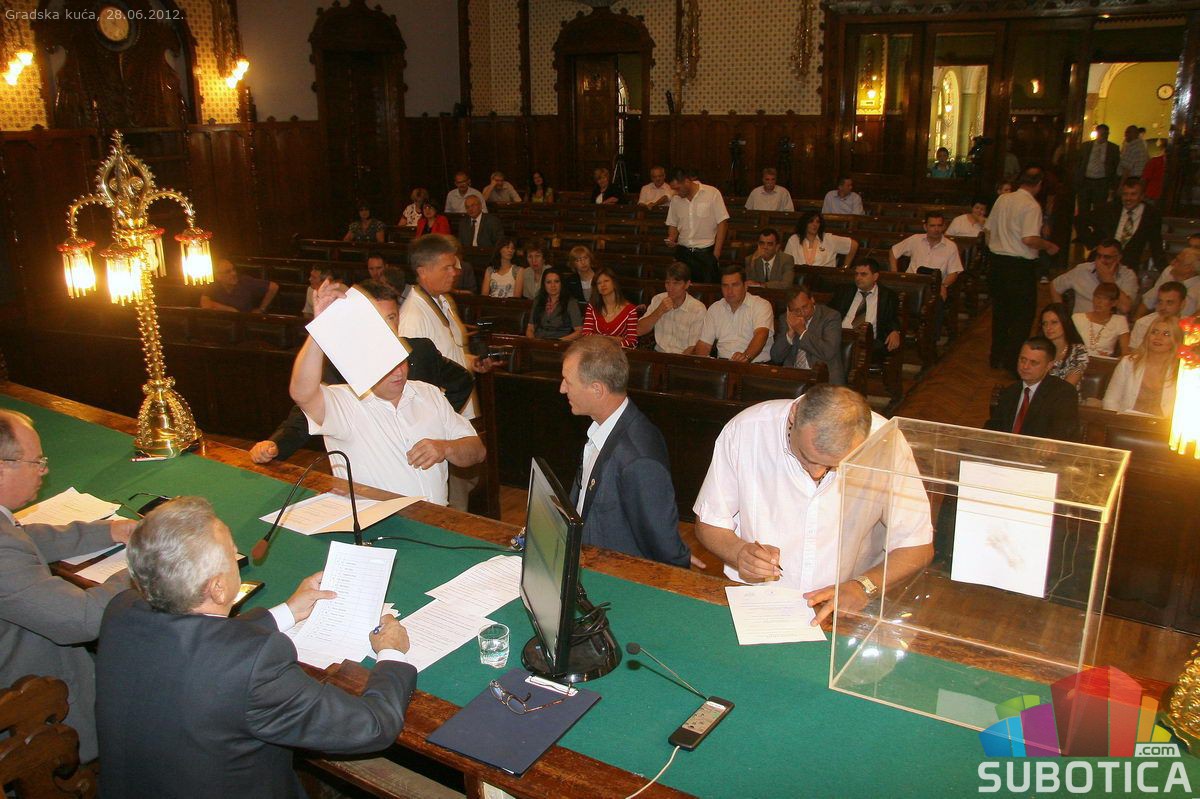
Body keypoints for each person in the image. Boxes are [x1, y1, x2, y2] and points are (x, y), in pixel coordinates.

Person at [96, 497, 416, 797]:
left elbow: (199, 642)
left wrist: (288, 611)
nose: (238, 555)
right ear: (218, 589)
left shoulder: (121, 609)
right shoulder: (254, 663)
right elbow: (373, 726)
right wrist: (391, 653)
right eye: (232, 555)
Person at [693, 384, 933, 625]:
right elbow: (709, 522)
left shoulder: (886, 442)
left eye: (834, 465)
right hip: (756, 601)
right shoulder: (747, 430)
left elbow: (917, 545)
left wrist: (863, 586)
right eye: (807, 457)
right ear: (794, 415)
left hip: (847, 608)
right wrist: (738, 553)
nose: (817, 473)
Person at [0, 410, 135, 763]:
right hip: (32, 710)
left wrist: (111, 531)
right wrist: (141, 568)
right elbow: (84, 620)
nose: (44, 471)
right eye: (36, 462)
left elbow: (20, 539)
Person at [291, 280, 485, 505]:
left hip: (435, 517)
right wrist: (320, 330)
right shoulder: (345, 403)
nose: (398, 372)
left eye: (401, 361)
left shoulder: (428, 393)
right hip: (377, 522)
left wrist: (446, 448)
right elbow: (302, 393)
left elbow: (477, 451)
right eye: (387, 365)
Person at [249, 280, 474, 465]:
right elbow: (306, 411)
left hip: (427, 461)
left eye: (391, 318)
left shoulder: (420, 349)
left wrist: (436, 423)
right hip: (371, 467)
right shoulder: (341, 363)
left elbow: (462, 380)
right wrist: (275, 445)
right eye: (376, 320)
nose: (386, 328)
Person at [560, 337, 690, 567]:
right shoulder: (603, 428)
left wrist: (679, 557)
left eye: (568, 382)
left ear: (597, 389)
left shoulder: (638, 459)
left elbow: (664, 547)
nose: (562, 388)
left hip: (613, 576)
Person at [397, 235, 497, 423]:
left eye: (454, 266)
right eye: (447, 268)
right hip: (444, 419)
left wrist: (470, 362)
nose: (454, 273)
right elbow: (417, 386)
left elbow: (446, 355)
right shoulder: (413, 318)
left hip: (462, 412)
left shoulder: (444, 300)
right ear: (423, 272)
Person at [985, 169, 1060, 371]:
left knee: (1001, 313)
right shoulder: (1031, 205)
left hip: (997, 264)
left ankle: (996, 356)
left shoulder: (1003, 199)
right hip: (1019, 267)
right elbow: (1029, 239)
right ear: (1039, 184)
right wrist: (1048, 246)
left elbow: (988, 229)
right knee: (1022, 317)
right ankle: (1012, 362)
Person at [984, 337, 1080, 441]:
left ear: (1049, 366)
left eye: (1033, 363)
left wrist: (1049, 443)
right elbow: (993, 427)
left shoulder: (1063, 393)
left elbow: (1062, 432)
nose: (1025, 366)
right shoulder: (1010, 392)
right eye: (1023, 360)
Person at [1077, 178, 1164, 272]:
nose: (1128, 198)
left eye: (1133, 194)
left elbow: (1156, 246)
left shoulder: (1151, 215)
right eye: (1125, 194)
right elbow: (1080, 220)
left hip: (1128, 266)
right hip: (1101, 260)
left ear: (1142, 196)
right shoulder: (1110, 209)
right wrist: (1091, 243)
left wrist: (1165, 271)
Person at [690, 265, 774, 362]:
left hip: (753, 364)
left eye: (735, 285)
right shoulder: (715, 308)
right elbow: (704, 344)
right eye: (725, 286)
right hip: (723, 364)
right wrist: (697, 362)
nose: (729, 291)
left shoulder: (761, 305)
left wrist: (746, 357)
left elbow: (761, 334)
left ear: (745, 286)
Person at [1102, 316, 1183, 417]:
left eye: (1166, 334)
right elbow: (1111, 399)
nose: (1158, 337)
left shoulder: (1182, 370)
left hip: (1164, 424)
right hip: (1126, 421)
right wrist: (1115, 421)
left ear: (1176, 340)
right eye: (1154, 332)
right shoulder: (1128, 362)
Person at [770, 286, 846, 385]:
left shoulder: (830, 316)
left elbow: (828, 352)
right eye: (796, 310)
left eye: (805, 307)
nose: (802, 313)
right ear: (789, 310)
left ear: (812, 300)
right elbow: (776, 357)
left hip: (825, 379)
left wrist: (802, 332)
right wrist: (790, 333)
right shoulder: (786, 319)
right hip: (793, 379)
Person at [666, 168, 729, 284]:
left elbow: (722, 223)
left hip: (706, 253)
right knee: (681, 288)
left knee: (707, 290)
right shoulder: (675, 200)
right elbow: (673, 224)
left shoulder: (712, 193)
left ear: (686, 182)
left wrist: (716, 254)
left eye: (677, 188)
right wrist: (671, 238)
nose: (676, 192)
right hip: (683, 253)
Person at [832, 261, 902, 359]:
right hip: (840, 337)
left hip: (870, 343)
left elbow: (892, 318)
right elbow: (829, 312)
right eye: (856, 274)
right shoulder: (844, 291)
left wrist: (895, 331)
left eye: (863, 274)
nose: (858, 278)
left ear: (875, 276)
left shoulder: (888, 296)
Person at [889, 211, 962, 301]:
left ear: (944, 227)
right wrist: (895, 274)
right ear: (925, 227)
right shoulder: (915, 239)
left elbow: (954, 272)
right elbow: (893, 251)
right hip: (910, 283)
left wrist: (943, 285)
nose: (936, 229)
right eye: (932, 226)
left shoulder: (951, 246)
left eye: (939, 226)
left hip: (934, 287)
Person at [1050, 239, 1138, 314]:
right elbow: (1054, 286)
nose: (1101, 261)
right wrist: (1062, 316)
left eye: (1107, 257)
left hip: (1112, 327)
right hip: (1081, 325)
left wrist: (1109, 280)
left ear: (1118, 258)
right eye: (1098, 256)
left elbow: (1125, 308)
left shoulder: (1128, 276)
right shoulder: (1082, 270)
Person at [637, 262, 706, 354]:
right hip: (658, 354)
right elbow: (638, 330)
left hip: (683, 357)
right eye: (667, 283)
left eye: (676, 283)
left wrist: (676, 361)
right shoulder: (658, 299)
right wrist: (658, 311)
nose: (670, 288)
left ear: (687, 284)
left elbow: (693, 347)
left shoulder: (698, 309)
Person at [582, 267, 638, 349]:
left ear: (614, 283)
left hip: (618, 354)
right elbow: (586, 335)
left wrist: (598, 338)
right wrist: (613, 340)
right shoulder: (592, 307)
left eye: (606, 281)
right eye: (599, 283)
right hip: (595, 352)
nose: (603, 285)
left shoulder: (630, 310)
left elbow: (632, 342)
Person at [1038, 302, 1089, 389]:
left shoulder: (1079, 351)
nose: (1048, 327)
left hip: (1065, 396)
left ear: (1065, 323)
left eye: (1054, 322)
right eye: (1045, 323)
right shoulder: (1039, 350)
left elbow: (1069, 384)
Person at [1073, 282, 1129, 358]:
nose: (1098, 302)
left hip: (1104, 362)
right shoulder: (1077, 318)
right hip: (1078, 360)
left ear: (1114, 303)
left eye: (1104, 298)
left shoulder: (1119, 321)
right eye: (1097, 297)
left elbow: (1126, 353)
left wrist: (1110, 357)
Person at [201, 259, 279, 313]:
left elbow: (273, 286)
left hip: (246, 323)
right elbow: (205, 304)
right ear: (218, 276)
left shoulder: (245, 281)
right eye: (228, 272)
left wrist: (261, 309)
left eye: (233, 269)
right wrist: (231, 310)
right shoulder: (213, 285)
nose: (234, 273)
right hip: (224, 325)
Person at [784, 210, 857, 268]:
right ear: (804, 223)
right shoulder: (794, 239)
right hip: (799, 276)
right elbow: (785, 262)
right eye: (811, 221)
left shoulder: (829, 239)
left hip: (824, 277)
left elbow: (853, 245)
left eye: (818, 222)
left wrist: (845, 268)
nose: (815, 224)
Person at [1075, 125, 1120, 217]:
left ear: (1108, 134)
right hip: (1086, 181)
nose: (1102, 136)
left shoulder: (1113, 148)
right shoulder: (1086, 146)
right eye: (1101, 133)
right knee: (1083, 208)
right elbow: (1079, 162)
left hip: (1101, 182)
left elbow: (1115, 167)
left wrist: (1113, 185)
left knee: (1099, 209)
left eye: (1105, 134)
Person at [526, 268, 583, 341]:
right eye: (548, 282)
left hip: (561, 343)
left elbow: (579, 331)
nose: (553, 285)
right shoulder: (538, 300)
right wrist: (533, 342)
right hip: (538, 342)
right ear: (544, 285)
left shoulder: (571, 302)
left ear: (561, 283)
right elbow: (530, 328)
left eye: (556, 281)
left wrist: (558, 341)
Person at [1141, 247, 1199, 317]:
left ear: (1188, 268)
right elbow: (1149, 300)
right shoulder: (1168, 273)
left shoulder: (1197, 290)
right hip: (1158, 320)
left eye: (1178, 261)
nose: (1172, 262)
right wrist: (1136, 318)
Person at [1131, 282, 1188, 349]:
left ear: (1182, 304)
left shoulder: (1191, 327)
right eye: (1160, 302)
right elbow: (1135, 352)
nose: (1163, 307)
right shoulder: (1143, 323)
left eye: (1169, 303)